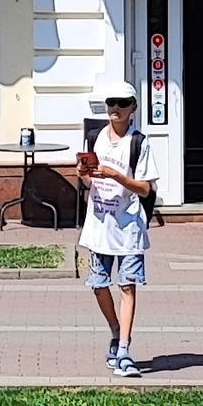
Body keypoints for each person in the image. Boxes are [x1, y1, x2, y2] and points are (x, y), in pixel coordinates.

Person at [79, 82, 155, 378]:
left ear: (133, 109)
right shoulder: (95, 138)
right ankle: (115, 329)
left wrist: (117, 176)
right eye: (111, 102)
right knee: (99, 285)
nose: (115, 108)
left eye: (122, 103)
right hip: (99, 225)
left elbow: (146, 188)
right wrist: (84, 175)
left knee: (127, 286)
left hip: (128, 226)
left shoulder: (139, 143)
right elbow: (89, 182)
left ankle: (124, 348)